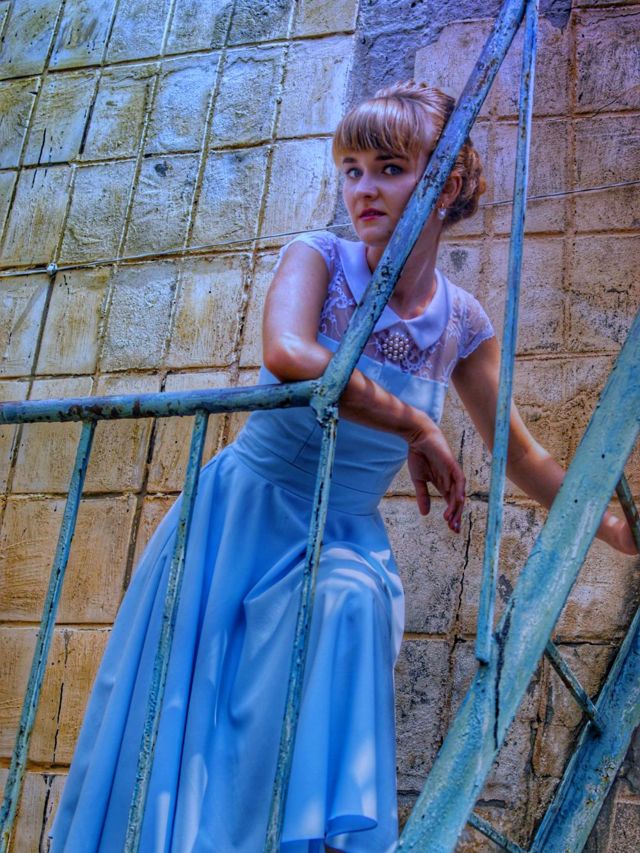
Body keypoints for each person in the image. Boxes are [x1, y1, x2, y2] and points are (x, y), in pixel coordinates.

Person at [50, 80, 637, 853]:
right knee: (192, 733)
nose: (363, 188)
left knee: (349, 601)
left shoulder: (460, 322)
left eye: (389, 168)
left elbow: (518, 451)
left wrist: (614, 527)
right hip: (243, 520)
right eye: (352, 168)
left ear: (446, 183)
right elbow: (291, 353)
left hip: (344, 536)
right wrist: (412, 420)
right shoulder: (318, 258)